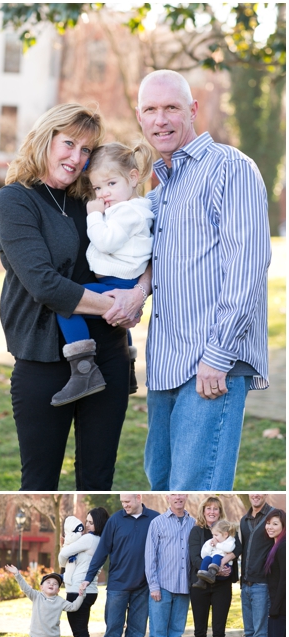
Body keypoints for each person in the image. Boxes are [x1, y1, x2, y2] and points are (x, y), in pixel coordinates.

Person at [0, 104, 149, 490]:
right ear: (46, 138)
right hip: (44, 358)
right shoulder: (15, 201)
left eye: (85, 150)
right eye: (69, 144)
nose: (76, 157)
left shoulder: (94, 199)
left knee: (98, 478)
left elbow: (149, 243)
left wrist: (140, 292)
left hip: (108, 353)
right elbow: (44, 284)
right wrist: (118, 305)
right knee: (40, 481)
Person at [136, 69, 271, 491]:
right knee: (160, 486)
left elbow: (248, 265)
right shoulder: (160, 190)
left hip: (212, 364)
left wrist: (218, 354)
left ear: (192, 110)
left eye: (171, 107)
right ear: (140, 118)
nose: (161, 119)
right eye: (151, 110)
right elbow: (158, 263)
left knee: (192, 492)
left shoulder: (230, 168)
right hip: (165, 367)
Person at [51, 142, 154, 406]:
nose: (103, 193)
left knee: (69, 304)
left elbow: (106, 242)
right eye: (97, 188)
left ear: (132, 178)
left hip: (120, 281)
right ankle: (129, 368)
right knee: (119, 321)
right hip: (118, 279)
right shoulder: (127, 207)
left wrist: (94, 216)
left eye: (110, 184)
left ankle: (83, 370)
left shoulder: (128, 211)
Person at [82, 494, 160, 637]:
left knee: (136, 633)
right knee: (112, 633)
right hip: (117, 586)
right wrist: (87, 578)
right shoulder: (115, 520)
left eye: (127, 502)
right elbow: (102, 551)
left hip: (143, 587)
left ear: (138, 498)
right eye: (122, 502)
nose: (124, 505)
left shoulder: (155, 519)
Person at [187, 496, 238, 637]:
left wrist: (225, 567)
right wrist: (211, 569)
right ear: (203, 510)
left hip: (221, 586)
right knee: (199, 630)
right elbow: (194, 557)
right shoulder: (196, 531)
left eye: (215, 509)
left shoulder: (228, 530)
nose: (212, 512)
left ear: (220, 511)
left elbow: (238, 548)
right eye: (208, 508)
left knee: (219, 630)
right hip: (200, 586)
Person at [144, 493, 193, 637]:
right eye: (174, 494)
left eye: (181, 494)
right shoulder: (157, 523)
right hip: (162, 587)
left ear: (186, 496)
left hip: (184, 588)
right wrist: (153, 586)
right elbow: (150, 557)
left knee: (176, 634)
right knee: (158, 634)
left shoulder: (194, 524)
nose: (178, 497)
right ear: (167, 497)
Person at [59, 508, 108, 637]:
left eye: (91, 522)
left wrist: (66, 547)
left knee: (79, 631)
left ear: (99, 523)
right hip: (87, 590)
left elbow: (62, 556)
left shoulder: (89, 539)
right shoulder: (101, 540)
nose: (87, 525)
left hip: (79, 590)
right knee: (80, 630)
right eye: (86, 522)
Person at [237, 493, 275, 637]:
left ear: (265, 493)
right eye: (252, 492)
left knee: (260, 634)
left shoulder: (274, 517)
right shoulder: (244, 520)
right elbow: (240, 549)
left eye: (260, 491)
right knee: (250, 633)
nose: (255, 494)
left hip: (263, 586)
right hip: (246, 585)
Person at [264, 509, 286, 637]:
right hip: (280, 604)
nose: (270, 527)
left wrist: (275, 607)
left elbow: (284, 580)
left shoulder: (283, 546)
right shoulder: (277, 544)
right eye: (268, 523)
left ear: (283, 526)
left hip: (281, 606)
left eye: (275, 524)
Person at [192, 520, 236, 589]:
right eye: (213, 535)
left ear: (225, 534)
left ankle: (212, 574)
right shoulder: (211, 541)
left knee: (216, 556)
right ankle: (201, 580)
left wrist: (217, 545)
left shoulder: (230, 541)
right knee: (207, 558)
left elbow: (229, 549)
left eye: (216, 535)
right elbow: (203, 555)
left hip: (225, 568)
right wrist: (210, 546)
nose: (214, 537)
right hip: (212, 567)